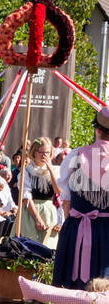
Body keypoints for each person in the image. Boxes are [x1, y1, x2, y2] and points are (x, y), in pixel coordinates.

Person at [52, 106, 109, 289]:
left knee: (73, 285)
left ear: (97, 129)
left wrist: (72, 223)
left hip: (77, 228)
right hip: (107, 231)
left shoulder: (75, 155)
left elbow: (66, 199)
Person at [19, 137, 61, 248]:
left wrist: (51, 170)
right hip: (30, 212)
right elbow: (26, 197)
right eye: (41, 152)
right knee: (28, 247)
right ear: (34, 152)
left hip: (49, 211)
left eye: (47, 152)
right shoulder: (26, 171)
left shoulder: (56, 170)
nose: (44, 155)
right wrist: (37, 219)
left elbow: (58, 191)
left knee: (49, 248)